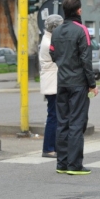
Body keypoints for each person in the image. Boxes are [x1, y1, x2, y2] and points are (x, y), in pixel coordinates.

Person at [49, 0, 97, 175]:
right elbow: (86, 59)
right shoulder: (82, 30)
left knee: (63, 122)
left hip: (62, 82)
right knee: (77, 123)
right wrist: (92, 84)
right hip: (78, 84)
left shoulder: (57, 31)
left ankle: (61, 163)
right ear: (78, 11)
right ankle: (75, 165)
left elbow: (53, 54)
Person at [39, 14, 63, 159]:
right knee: (53, 116)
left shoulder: (48, 38)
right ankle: (48, 149)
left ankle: (52, 147)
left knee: (55, 116)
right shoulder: (49, 42)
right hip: (52, 82)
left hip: (52, 81)